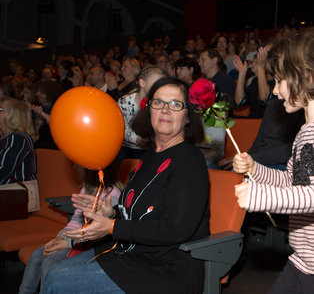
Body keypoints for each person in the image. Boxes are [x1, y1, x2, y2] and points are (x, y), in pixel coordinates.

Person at [41, 76, 210, 294]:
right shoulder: (149, 158)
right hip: (128, 254)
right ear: (148, 110)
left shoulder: (189, 160)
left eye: (176, 104)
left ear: (188, 117)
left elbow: (175, 229)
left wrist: (112, 226)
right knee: (52, 270)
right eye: (158, 103)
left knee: (57, 281)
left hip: (165, 269)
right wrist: (110, 211)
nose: (166, 110)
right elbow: (138, 213)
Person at [233, 29, 314, 294]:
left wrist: (262, 196)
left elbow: (312, 195)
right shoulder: (304, 132)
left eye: (280, 80)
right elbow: (292, 181)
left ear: (306, 77)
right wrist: (257, 170)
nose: (276, 91)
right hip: (302, 261)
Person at [19, 163, 121, 294]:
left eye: (78, 164)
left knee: (48, 263)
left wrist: (66, 243)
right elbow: (76, 220)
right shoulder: (87, 188)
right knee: (37, 255)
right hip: (74, 238)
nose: (74, 166)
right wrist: (61, 237)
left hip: (89, 243)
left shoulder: (112, 196)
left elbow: (99, 234)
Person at [117, 65, 166, 163]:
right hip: (127, 150)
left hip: (150, 150)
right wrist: (137, 139)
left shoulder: (159, 104)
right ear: (142, 83)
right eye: (156, 83)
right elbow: (120, 126)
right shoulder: (124, 102)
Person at [0, 97, 37, 185]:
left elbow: (3, 170)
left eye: (0, 109)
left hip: (16, 194)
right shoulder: (5, 138)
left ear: (13, 116)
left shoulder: (18, 139)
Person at [233, 46, 275, 118]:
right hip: (253, 123)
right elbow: (239, 102)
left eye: (257, 62)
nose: (253, 64)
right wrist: (242, 73)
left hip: (269, 123)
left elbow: (264, 99)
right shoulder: (255, 81)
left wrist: (261, 66)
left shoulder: (277, 82)